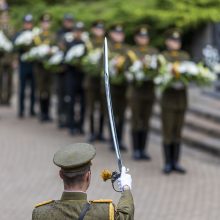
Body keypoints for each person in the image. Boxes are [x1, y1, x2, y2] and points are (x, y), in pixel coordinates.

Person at [32, 143, 134, 219]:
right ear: (88, 176)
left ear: (61, 175)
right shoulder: (104, 213)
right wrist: (126, 188)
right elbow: (126, 216)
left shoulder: (40, 214)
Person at [127, 26, 158, 160]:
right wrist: (135, 74)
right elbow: (126, 71)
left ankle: (143, 149)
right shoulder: (131, 52)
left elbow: (158, 69)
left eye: (145, 37)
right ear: (136, 38)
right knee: (136, 120)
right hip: (136, 92)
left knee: (146, 120)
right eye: (140, 37)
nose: (143, 39)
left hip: (149, 91)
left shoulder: (153, 52)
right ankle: (136, 150)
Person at [161, 29, 189, 174]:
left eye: (177, 41)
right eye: (172, 41)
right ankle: (167, 163)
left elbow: (190, 74)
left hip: (181, 99)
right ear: (167, 42)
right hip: (168, 100)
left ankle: (175, 162)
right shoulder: (163, 57)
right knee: (168, 131)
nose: (175, 43)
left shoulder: (185, 56)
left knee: (178, 131)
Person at [108, 24, 129, 151]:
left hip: (123, 86)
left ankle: (120, 139)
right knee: (111, 114)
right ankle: (112, 140)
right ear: (111, 34)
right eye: (116, 33)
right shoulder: (108, 47)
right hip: (111, 86)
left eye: (120, 34)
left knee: (121, 114)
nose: (118, 36)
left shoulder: (127, 49)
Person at [84, 20, 106, 143]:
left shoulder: (106, 43)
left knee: (103, 107)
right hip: (91, 81)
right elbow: (83, 61)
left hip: (102, 82)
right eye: (97, 29)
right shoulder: (88, 43)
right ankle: (92, 132)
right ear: (93, 30)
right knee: (91, 107)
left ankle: (101, 132)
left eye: (101, 29)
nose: (99, 31)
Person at [64, 21, 87, 135]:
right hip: (72, 76)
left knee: (83, 103)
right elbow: (65, 59)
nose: (78, 33)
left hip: (82, 77)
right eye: (76, 31)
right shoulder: (69, 43)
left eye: (80, 31)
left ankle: (80, 125)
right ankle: (71, 124)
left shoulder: (86, 44)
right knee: (71, 101)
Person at [14, 14, 36, 118]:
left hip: (33, 65)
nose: (28, 25)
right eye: (26, 23)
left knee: (33, 88)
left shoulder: (36, 34)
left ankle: (32, 110)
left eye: (30, 23)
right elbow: (14, 46)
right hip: (23, 64)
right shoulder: (19, 34)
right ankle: (21, 110)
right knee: (22, 88)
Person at [34, 13, 54, 122]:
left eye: (48, 22)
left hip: (50, 67)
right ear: (41, 23)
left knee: (49, 89)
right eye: (44, 22)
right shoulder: (37, 36)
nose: (46, 24)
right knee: (41, 89)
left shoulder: (53, 35)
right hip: (40, 67)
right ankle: (42, 112)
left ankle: (47, 113)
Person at [56, 14, 74, 128]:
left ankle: (69, 118)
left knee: (69, 96)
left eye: (70, 21)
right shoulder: (59, 33)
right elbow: (58, 47)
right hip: (60, 69)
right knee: (61, 94)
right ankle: (61, 118)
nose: (68, 23)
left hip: (71, 70)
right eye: (67, 21)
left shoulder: (75, 33)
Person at [0, 6, 13, 105]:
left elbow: (14, 44)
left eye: (6, 17)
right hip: (1, 58)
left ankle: (8, 99)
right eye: (3, 17)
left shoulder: (12, 29)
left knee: (9, 80)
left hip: (9, 58)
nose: (5, 19)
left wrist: (15, 60)